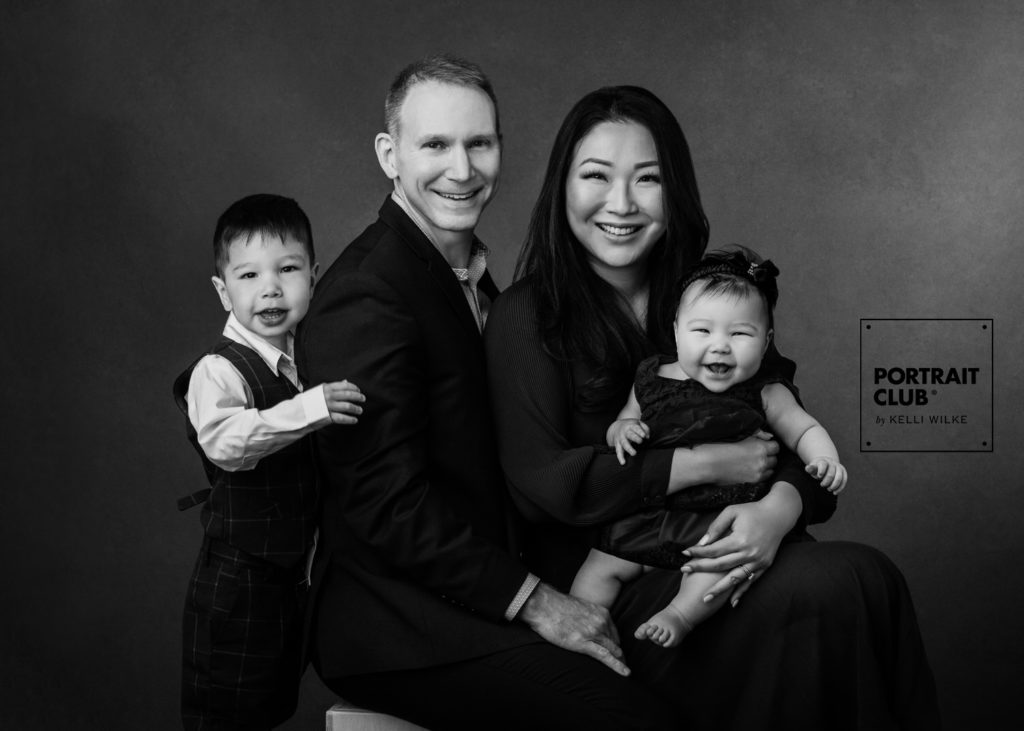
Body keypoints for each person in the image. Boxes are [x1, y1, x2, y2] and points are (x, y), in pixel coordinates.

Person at [486, 85, 941, 729]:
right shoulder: (528, 315)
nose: (621, 204)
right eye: (596, 176)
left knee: (865, 578)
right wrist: (703, 464)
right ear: (562, 187)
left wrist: (776, 514)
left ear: (676, 190)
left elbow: (790, 440)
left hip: (729, 554)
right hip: (614, 585)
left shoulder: (715, 297)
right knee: (828, 588)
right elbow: (545, 489)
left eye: (647, 179)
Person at [297, 56, 677, 730]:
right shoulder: (367, 291)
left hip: (473, 602)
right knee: (623, 718)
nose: (463, 168)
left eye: (480, 143)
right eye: (436, 145)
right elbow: (388, 505)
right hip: (399, 628)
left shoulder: (473, 281)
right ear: (390, 154)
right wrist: (538, 601)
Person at [573, 247, 848, 649]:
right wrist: (624, 431)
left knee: (720, 564)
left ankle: (680, 615)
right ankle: (581, 629)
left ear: (766, 340)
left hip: (717, 522)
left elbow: (803, 429)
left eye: (739, 334)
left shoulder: (766, 391)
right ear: (677, 329)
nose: (720, 346)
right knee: (600, 566)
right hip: (651, 518)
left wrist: (824, 458)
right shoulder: (650, 377)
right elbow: (625, 418)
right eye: (702, 331)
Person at [173, 193, 366, 729]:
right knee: (228, 714)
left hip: (288, 581)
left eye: (287, 269)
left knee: (269, 707)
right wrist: (312, 406)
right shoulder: (219, 370)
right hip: (238, 583)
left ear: (314, 276)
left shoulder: (305, 362)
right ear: (222, 290)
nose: (271, 288)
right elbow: (226, 442)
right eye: (249, 275)